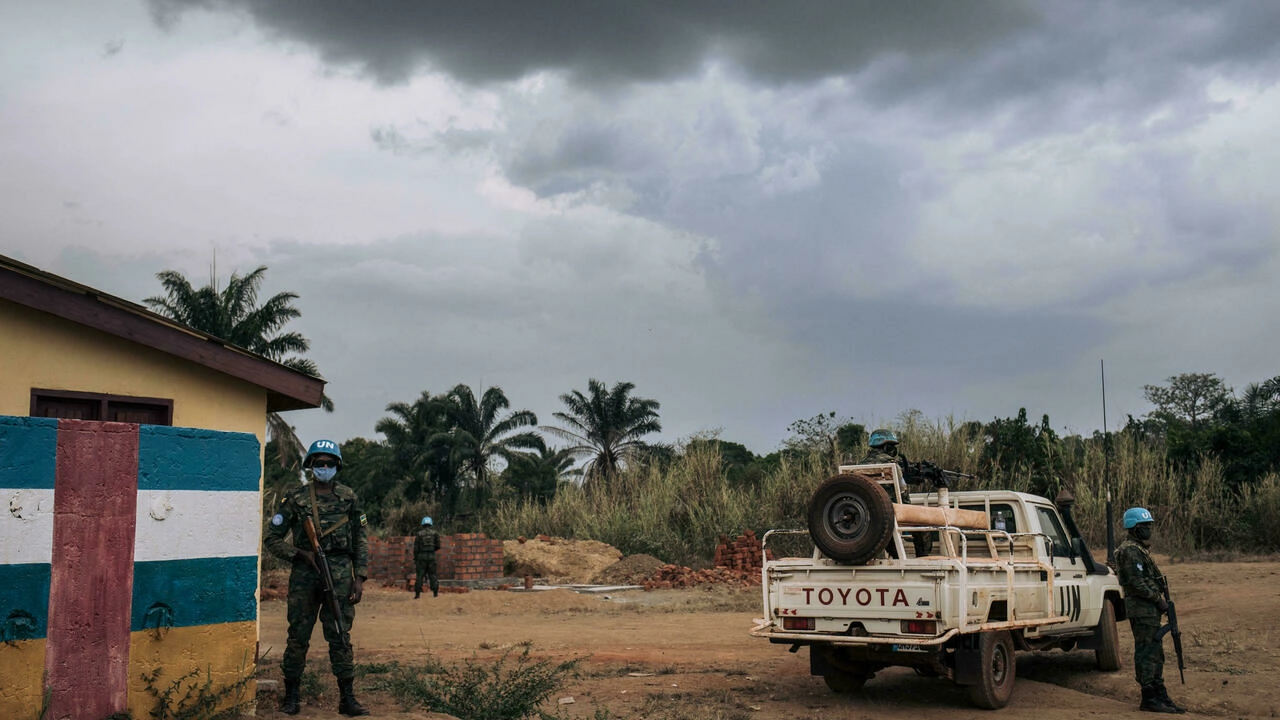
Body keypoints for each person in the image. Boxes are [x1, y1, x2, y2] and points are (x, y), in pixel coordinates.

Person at [264, 439, 371, 717]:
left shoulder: (349, 497)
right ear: (311, 466)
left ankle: (347, 698)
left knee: (340, 635)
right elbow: (272, 538)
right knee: (298, 636)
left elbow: (361, 539)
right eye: (319, 463)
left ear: (337, 466)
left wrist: (359, 577)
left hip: (339, 574)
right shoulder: (297, 498)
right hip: (305, 576)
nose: (324, 468)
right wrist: (299, 554)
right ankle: (291, 698)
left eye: (329, 463)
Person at [1115, 507, 1185, 714]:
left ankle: (1159, 693)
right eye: (1144, 526)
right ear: (1134, 528)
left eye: (1149, 526)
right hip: (1142, 609)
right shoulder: (1130, 551)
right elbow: (1136, 582)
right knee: (1147, 652)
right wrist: (1158, 600)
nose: (1148, 529)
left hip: (1148, 609)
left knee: (1156, 652)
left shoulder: (1139, 549)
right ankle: (1149, 696)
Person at [414, 516, 442, 598]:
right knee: (433, 575)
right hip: (431, 556)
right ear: (430, 524)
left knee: (419, 576)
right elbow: (438, 546)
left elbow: (416, 549)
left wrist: (416, 558)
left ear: (423, 524)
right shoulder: (435, 533)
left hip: (421, 557)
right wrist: (432, 550)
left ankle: (417, 595)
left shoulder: (419, 534)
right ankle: (435, 593)